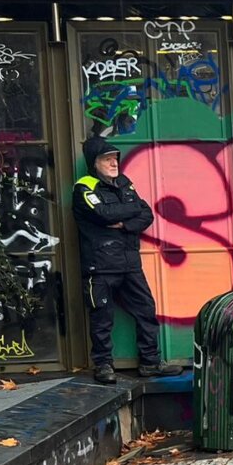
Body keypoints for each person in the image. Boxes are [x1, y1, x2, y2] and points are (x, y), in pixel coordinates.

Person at [72, 135, 173, 383]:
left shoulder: (125, 184)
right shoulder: (84, 187)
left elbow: (146, 213)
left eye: (115, 159)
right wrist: (125, 214)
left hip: (129, 263)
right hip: (100, 266)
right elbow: (103, 213)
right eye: (107, 159)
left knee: (146, 309)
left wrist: (124, 225)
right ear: (94, 163)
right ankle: (104, 366)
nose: (114, 163)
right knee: (102, 318)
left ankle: (150, 362)